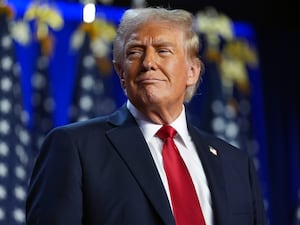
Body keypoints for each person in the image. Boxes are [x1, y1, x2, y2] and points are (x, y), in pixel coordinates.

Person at [25, 7, 267, 225]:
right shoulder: (74, 148)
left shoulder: (236, 164)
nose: (148, 62)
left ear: (192, 72)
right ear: (121, 73)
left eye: (163, 51)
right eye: (134, 52)